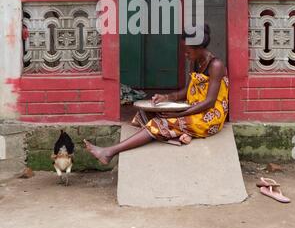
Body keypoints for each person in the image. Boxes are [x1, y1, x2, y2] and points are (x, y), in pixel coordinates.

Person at [84, 24, 229, 164]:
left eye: (188, 51)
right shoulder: (195, 62)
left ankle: (109, 153)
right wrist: (166, 97)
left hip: (210, 115)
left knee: (159, 122)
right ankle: (181, 134)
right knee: (144, 115)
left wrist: (179, 114)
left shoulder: (216, 65)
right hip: (194, 107)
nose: (185, 55)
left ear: (199, 48)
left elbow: (209, 102)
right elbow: (187, 91)